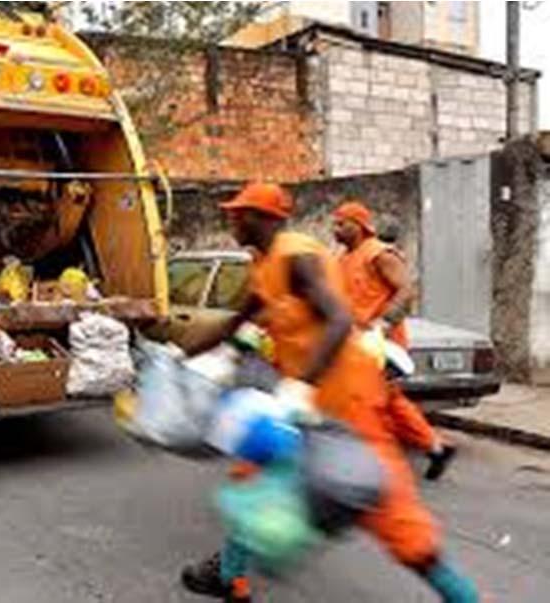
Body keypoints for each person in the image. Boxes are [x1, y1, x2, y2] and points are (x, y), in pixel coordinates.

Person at [180, 183, 478, 603]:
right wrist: (181, 357)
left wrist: (299, 388)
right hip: (309, 407)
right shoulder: (266, 264)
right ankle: (230, 577)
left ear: (263, 218)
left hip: (349, 405)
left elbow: (337, 320)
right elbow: (237, 322)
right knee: (255, 483)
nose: (231, 220)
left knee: (401, 526)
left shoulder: (297, 255)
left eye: (239, 213)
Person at [332, 201, 455, 480]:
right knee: (387, 400)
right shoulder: (342, 258)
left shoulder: (379, 253)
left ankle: (372, 460)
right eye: (334, 224)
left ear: (359, 226)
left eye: (341, 224)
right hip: (357, 343)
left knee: (371, 399)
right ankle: (434, 447)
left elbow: (406, 291)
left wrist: (383, 324)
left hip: (381, 343)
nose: (335, 230)